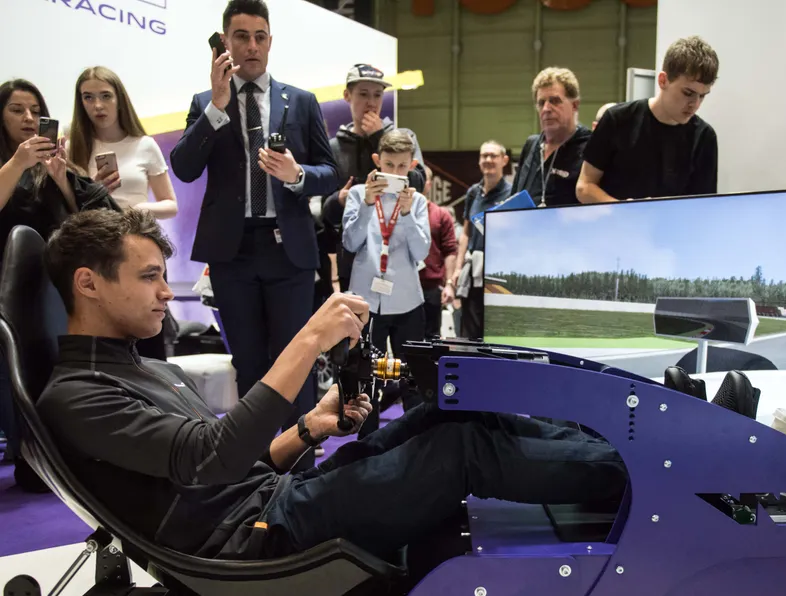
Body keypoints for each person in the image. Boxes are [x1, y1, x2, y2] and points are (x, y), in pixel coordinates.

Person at [37, 207, 628, 563]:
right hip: (256, 539)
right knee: (461, 450)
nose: (168, 292)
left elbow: (232, 462)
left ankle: (621, 448)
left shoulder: (144, 368)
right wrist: (309, 339)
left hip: (271, 504)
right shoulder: (78, 396)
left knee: (451, 416)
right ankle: (642, 474)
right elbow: (210, 459)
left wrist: (309, 426)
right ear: (88, 284)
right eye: (149, 278)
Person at [169, 0, 338, 470]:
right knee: (249, 365)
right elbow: (183, 168)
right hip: (232, 252)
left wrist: (296, 173)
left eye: (260, 36)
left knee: (298, 360)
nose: (251, 45)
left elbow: (331, 171)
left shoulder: (300, 101)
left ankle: (301, 468)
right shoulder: (206, 103)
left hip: (290, 252)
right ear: (225, 42)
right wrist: (218, 108)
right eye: (241, 36)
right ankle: (256, 467)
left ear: (270, 41)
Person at [0, 78, 117, 492]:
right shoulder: (10, 165)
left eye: (35, 110)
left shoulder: (50, 166)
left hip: (54, 287)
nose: (29, 118)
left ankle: (55, 457)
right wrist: (16, 164)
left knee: (56, 366)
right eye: (17, 109)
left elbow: (86, 218)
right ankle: (24, 454)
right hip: (6, 289)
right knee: (17, 372)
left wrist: (61, 176)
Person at [68, 66, 178, 360]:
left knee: (147, 336)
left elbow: (170, 204)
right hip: (94, 250)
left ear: (120, 99)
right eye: (88, 97)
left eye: (105, 96)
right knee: (102, 333)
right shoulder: (72, 147)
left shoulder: (143, 145)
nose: (98, 105)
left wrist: (135, 209)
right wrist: (93, 191)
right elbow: (67, 208)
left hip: (139, 246)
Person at [342, 130, 430, 426]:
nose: (394, 173)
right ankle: (367, 443)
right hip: (366, 302)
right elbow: (350, 243)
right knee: (366, 378)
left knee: (412, 377)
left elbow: (421, 252)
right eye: (389, 165)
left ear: (412, 166)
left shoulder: (417, 202)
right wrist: (367, 205)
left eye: (401, 167)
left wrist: (405, 214)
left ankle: (415, 440)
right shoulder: (358, 195)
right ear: (378, 161)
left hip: (407, 302)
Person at [321, 64, 425, 293]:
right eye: (363, 94)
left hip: (398, 250)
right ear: (347, 96)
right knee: (356, 325)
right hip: (353, 253)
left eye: (378, 95)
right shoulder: (333, 148)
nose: (372, 102)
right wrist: (340, 200)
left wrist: (381, 136)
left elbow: (419, 182)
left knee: (399, 317)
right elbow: (325, 211)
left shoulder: (404, 138)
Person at [577, 36, 719, 204]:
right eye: (688, 93)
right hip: (617, 227)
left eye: (702, 96)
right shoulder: (617, 120)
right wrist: (622, 209)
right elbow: (584, 186)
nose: (695, 104)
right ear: (663, 80)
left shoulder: (704, 137)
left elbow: (704, 207)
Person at [448, 140, 511, 340]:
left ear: (504, 160)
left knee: (495, 331)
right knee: (470, 331)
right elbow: (466, 233)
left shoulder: (512, 192)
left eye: (493, 155)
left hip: (500, 273)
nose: (488, 160)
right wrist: (458, 268)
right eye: (484, 156)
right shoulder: (473, 193)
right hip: (474, 272)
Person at [510, 68, 591, 209]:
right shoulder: (531, 145)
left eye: (554, 101)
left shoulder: (590, 146)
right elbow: (513, 198)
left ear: (575, 105)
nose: (546, 108)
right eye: (541, 103)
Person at [420, 166, 458, 339]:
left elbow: (450, 250)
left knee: (431, 340)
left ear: (429, 184)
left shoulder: (441, 215)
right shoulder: (397, 213)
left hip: (431, 288)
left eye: (423, 178)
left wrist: (449, 283)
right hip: (401, 288)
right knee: (402, 342)